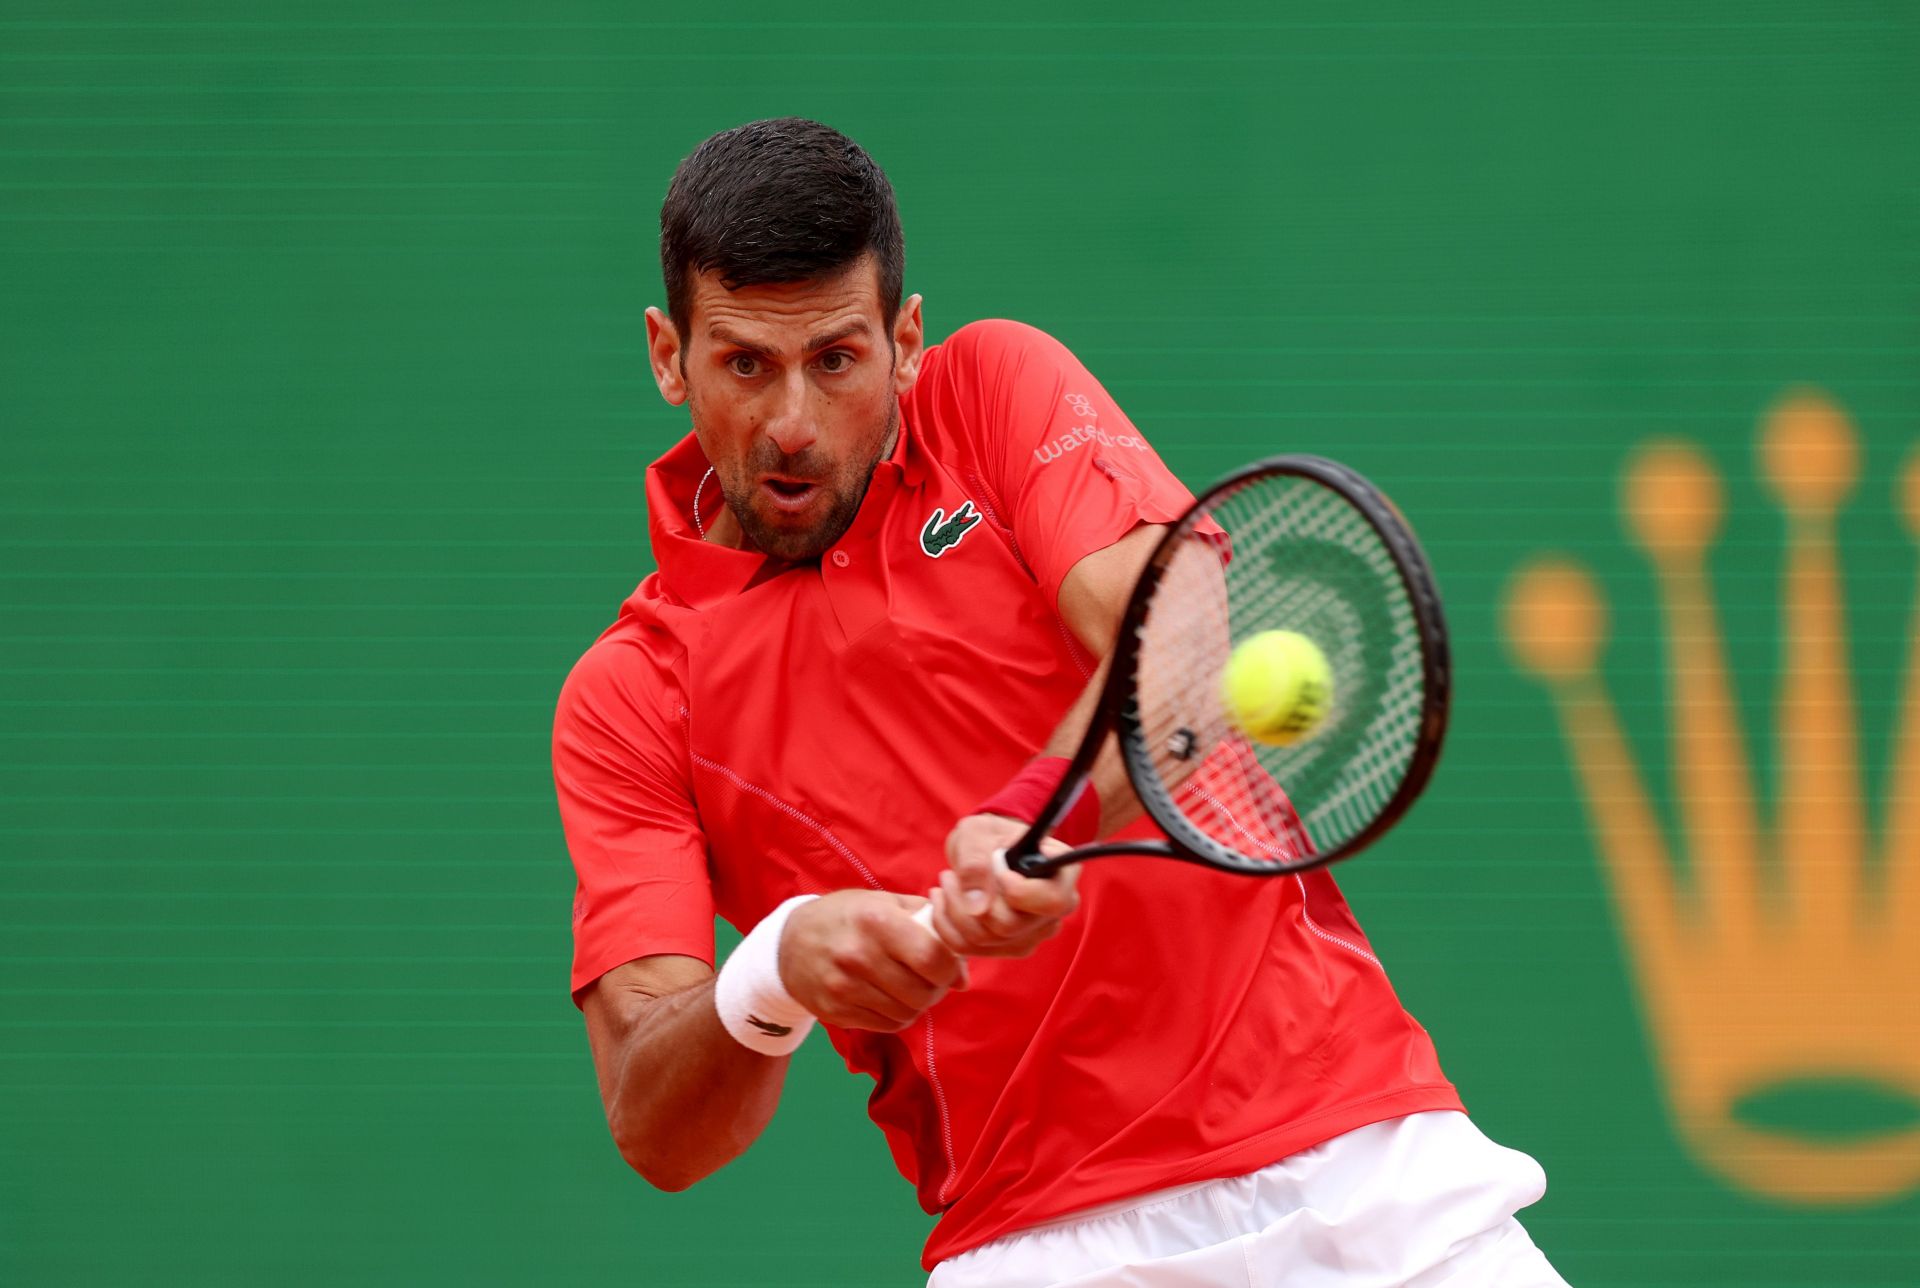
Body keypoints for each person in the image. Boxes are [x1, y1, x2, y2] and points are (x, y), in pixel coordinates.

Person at [552, 117, 1569, 1287]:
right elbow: (653, 1121)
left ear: (907, 340)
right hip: (1035, 1243)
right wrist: (774, 968)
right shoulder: (632, 698)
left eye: (836, 359)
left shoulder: (991, 391)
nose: (792, 423)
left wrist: (1038, 810)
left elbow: (1171, 628)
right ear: (667, 355)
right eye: (744, 363)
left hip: (1356, 1164)